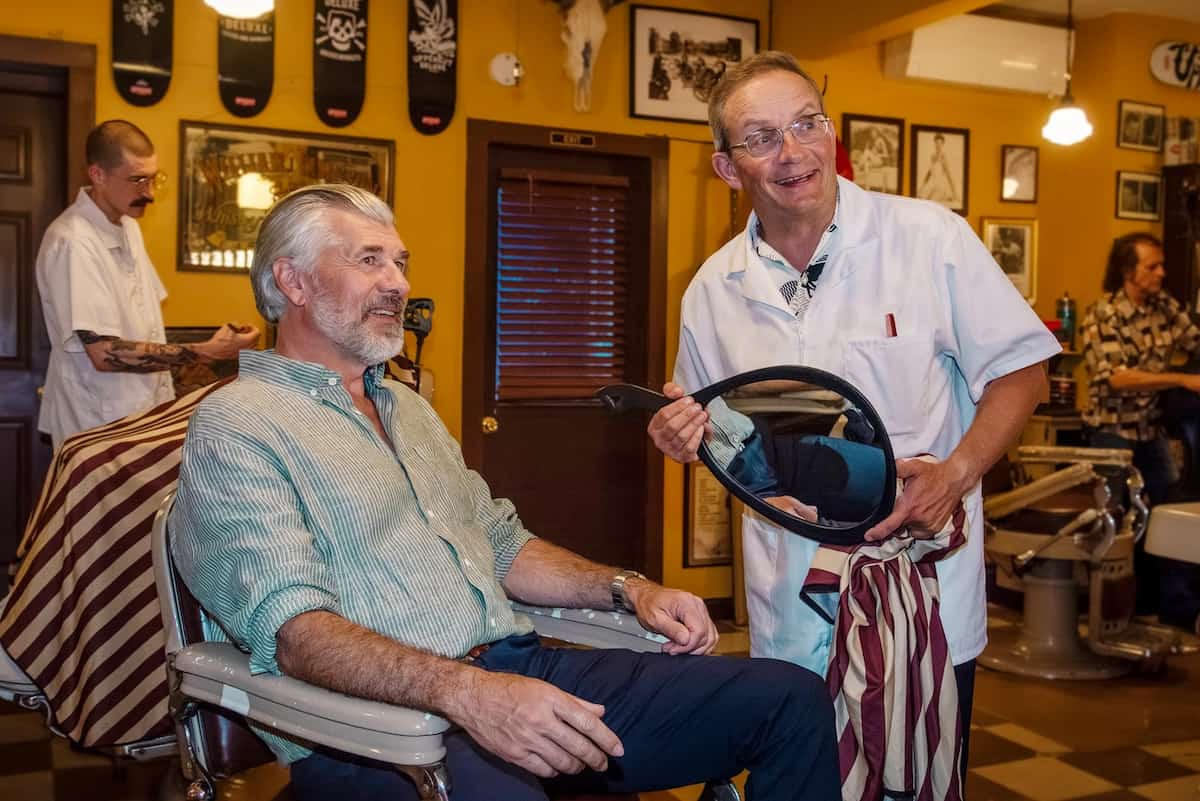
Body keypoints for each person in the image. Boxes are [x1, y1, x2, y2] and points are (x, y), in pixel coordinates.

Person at [170, 184, 840, 801]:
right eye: (369, 260)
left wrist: (630, 588)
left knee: (789, 700)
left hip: (514, 667)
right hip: (377, 731)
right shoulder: (238, 424)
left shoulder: (408, 409)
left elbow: (500, 543)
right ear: (293, 280)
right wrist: (470, 694)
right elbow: (298, 635)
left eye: (399, 262)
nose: (397, 283)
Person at [646, 51, 1060, 775]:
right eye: (762, 136)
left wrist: (957, 474)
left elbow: (1023, 369)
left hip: (916, 585)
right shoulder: (714, 289)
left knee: (914, 780)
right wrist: (681, 435)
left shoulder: (929, 238)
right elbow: (716, 426)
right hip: (790, 592)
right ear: (725, 167)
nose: (793, 151)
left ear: (830, 129)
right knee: (802, 780)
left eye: (807, 123)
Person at [34, 119, 259, 448]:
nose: (149, 193)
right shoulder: (73, 242)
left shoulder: (127, 226)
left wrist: (218, 340)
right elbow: (104, 352)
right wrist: (203, 352)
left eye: (154, 179)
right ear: (97, 175)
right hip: (97, 423)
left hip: (139, 415)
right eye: (137, 180)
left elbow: (143, 326)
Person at [1080, 232, 1200, 615]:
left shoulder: (1165, 308)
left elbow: (1196, 341)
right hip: (1112, 435)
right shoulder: (1104, 315)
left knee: (1169, 521)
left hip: (1151, 433)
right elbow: (1117, 377)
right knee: (1114, 524)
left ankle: (1171, 608)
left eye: (1162, 265)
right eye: (1153, 266)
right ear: (1128, 271)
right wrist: (1181, 379)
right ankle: (1110, 614)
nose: (1162, 273)